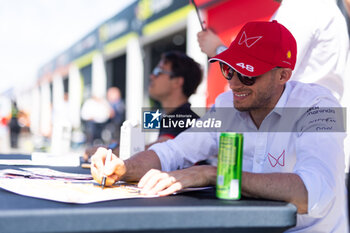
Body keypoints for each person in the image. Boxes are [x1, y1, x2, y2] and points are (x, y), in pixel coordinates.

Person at [91, 21, 347, 232]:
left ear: (283, 75)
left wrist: (215, 174)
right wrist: (123, 167)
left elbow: (312, 194)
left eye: (248, 73)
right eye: (229, 69)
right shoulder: (226, 104)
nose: (234, 83)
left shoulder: (322, 106)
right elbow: (174, 151)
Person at [197, 0, 349, 101]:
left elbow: (258, 75)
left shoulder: (300, 8)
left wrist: (218, 49)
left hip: (303, 129)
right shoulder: (319, 6)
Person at [83, 51, 202, 161]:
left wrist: (109, 152)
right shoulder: (174, 115)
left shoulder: (184, 119)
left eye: (159, 72)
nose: (152, 76)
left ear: (177, 82)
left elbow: (156, 150)